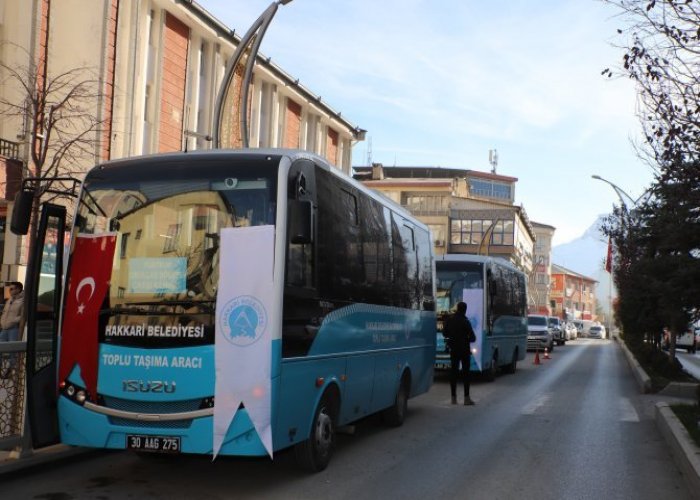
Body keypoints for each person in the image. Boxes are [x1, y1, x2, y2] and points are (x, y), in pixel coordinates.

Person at [443, 301, 477, 405]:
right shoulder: (465, 321)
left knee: (453, 373)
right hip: (464, 351)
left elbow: (444, 333)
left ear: (457, 308)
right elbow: (473, 338)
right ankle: (466, 399)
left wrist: (452, 337)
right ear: (465, 310)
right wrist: (465, 338)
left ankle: (453, 398)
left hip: (453, 349)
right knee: (466, 374)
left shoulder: (450, 319)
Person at [0, 281, 24, 378]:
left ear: (18, 289)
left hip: (14, 329)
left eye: (12, 289)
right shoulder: (9, 300)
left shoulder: (22, 301)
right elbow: (5, 313)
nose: (10, 290)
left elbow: (23, 316)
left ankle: (11, 370)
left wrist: (14, 321)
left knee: (12, 351)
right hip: (4, 328)